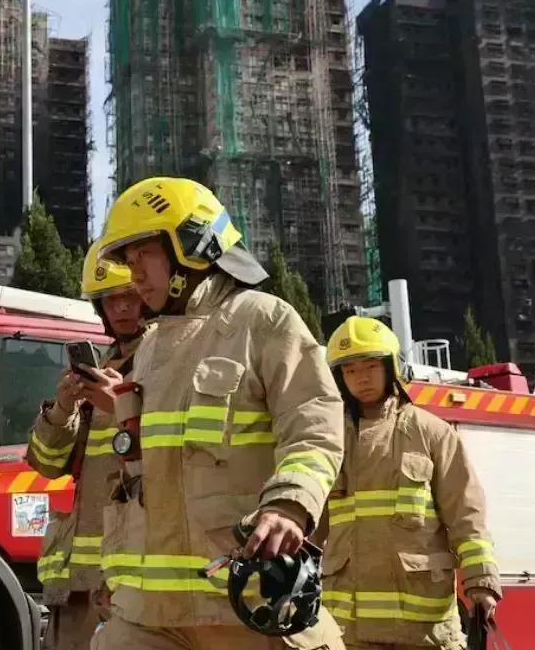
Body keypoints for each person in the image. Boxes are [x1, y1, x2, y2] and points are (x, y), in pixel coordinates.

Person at [85, 176, 346, 650]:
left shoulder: (262, 320)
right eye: (127, 260)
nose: (133, 273)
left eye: (143, 253)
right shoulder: (149, 350)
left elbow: (315, 423)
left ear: (193, 243)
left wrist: (288, 504)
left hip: (245, 601)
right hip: (148, 612)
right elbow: (140, 479)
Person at [320, 316, 501, 650]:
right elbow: (308, 524)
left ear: (392, 367)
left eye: (371, 365)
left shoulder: (432, 433)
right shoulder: (328, 440)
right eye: (350, 370)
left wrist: (481, 582)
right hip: (348, 628)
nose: (361, 377)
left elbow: (466, 514)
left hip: (422, 628)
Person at [27, 242, 152, 650]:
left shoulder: (164, 362)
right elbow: (46, 464)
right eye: (110, 300)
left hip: (134, 569)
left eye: (130, 297)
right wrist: (64, 408)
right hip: (81, 577)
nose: (121, 309)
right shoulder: (103, 369)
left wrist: (124, 406)